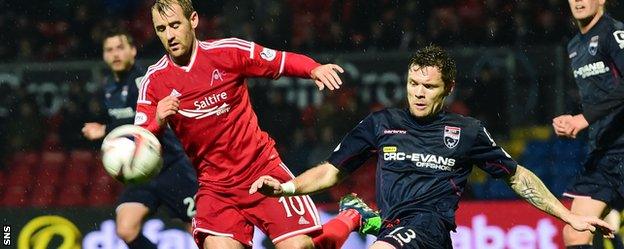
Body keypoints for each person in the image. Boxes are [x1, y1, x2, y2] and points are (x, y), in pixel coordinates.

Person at [249, 45, 616, 249]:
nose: (418, 93)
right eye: (412, 84)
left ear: (448, 87)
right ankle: (361, 218)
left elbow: (518, 178)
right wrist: (286, 187)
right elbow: (331, 170)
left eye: (428, 87)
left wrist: (569, 217)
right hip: (398, 231)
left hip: (430, 229)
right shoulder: (381, 123)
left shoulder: (467, 132)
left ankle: (360, 219)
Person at [134, 1, 376, 248]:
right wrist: (158, 120)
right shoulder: (153, 82)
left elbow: (278, 60)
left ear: (193, 20)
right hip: (215, 187)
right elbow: (139, 145)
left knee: (300, 247)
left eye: (175, 25)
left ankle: (350, 216)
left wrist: (313, 68)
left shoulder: (227, 52)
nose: (170, 35)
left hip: (261, 171)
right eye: (161, 29)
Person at [82, 29, 198, 249]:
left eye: (120, 48)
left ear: (133, 51)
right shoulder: (109, 89)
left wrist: (105, 129)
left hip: (171, 167)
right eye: (109, 50)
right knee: (126, 229)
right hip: (142, 174)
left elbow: (145, 118)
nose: (115, 54)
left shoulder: (144, 81)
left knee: (200, 231)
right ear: (104, 56)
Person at [552, 0, 624, 248]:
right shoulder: (574, 46)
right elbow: (600, 98)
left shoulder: (614, 33)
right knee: (575, 233)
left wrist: (583, 119)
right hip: (603, 154)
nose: (579, 1)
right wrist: (571, 119)